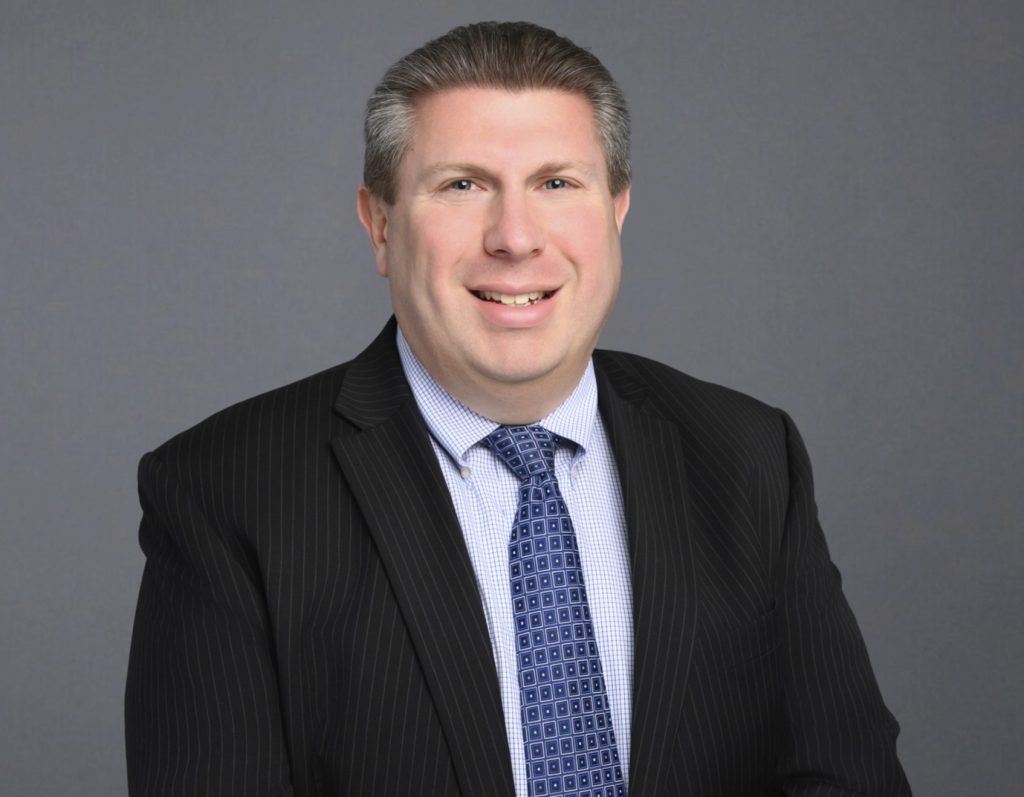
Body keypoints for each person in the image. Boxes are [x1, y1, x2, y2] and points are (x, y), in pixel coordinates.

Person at [125, 21, 911, 797]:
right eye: (463, 184)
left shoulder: (746, 455)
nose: (514, 237)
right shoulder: (225, 490)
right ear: (380, 223)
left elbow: (848, 777)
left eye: (557, 182)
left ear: (618, 211)